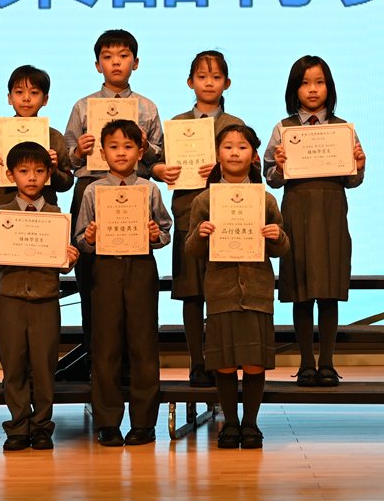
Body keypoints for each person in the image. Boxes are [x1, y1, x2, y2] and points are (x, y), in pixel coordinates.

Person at [60, 29, 164, 381]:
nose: (115, 62)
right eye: (107, 57)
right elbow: (67, 160)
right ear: (97, 65)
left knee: (134, 284)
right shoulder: (82, 107)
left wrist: (146, 146)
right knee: (92, 283)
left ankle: (133, 367)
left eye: (123, 56)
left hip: (133, 194)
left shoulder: (147, 107)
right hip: (91, 189)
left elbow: (158, 158)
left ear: (136, 62)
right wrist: (79, 150)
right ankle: (97, 364)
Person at [263, 55, 366, 389]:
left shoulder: (343, 129)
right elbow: (270, 177)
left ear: (329, 87)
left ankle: (328, 364)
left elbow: (352, 180)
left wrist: (359, 165)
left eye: (319, 82)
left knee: (329, 290)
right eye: (305, 83)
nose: (312, 89)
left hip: (332, 212)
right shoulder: (283, 128)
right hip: (296, 212)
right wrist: (279, 165)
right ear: (294, 89)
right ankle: (306, 363)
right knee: (301, 290)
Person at [186, 123, 287, 449]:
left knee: (255, 363)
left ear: (254, 156)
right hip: (221, 292)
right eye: (227, 147)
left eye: (242, 147)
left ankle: (251, 424)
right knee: (225, 364)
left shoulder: (266, 200)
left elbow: (283, 246)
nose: (234, 153)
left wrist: (277, 236)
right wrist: (200, 234)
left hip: (256, 292)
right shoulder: (204, 200)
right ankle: (230, 424)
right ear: (218, 154)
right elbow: (191, 249)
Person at [73, 119, 172, 446]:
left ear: (140, 152)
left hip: (141, 269)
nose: (121, 153)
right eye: (113, 147)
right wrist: (89, 238)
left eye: (128, 146)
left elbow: (165, 230)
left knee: (144, 347)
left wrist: (155, 235)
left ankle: (144, 423)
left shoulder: (149, 189)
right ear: (102, 153)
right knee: (106, 348)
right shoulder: (92, 191)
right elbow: (80, 239)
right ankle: (108, 422)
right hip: (105, 270)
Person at [152, 50, 246, 386]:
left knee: (223, 292)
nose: (209, 83)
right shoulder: (177, 124)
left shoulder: (235, 125)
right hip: (188, 213)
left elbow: (252, 171)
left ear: (227, 83)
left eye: (216, 77)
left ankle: (223, 359)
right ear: (190, 82)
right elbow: (156, 162)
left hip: (229, 217)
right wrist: (159, 170)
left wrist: (225, 166)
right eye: (202, 77)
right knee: (191, 291)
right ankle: (197, 361)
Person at [0, 140, 81, 452]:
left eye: (39, 171)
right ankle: (17, 426)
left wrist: (70, 259)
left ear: (48, 174)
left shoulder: (56, 216)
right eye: (24, 171)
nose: (32, 177)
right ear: (11, 175)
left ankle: (41, 427)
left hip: (45, 299)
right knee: (13, 364)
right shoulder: (2, 215)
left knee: (44, 366)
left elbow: (62, 264)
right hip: (10, 298)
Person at [0, 64, 74, 210]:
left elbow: (67, 183)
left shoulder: (54, 137)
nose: (26, 98)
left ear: (45, 99)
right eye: (19, 92)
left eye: (34, 93)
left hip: (44, 210)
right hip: (5, 208)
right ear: (10, 98)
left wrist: (54, 171)